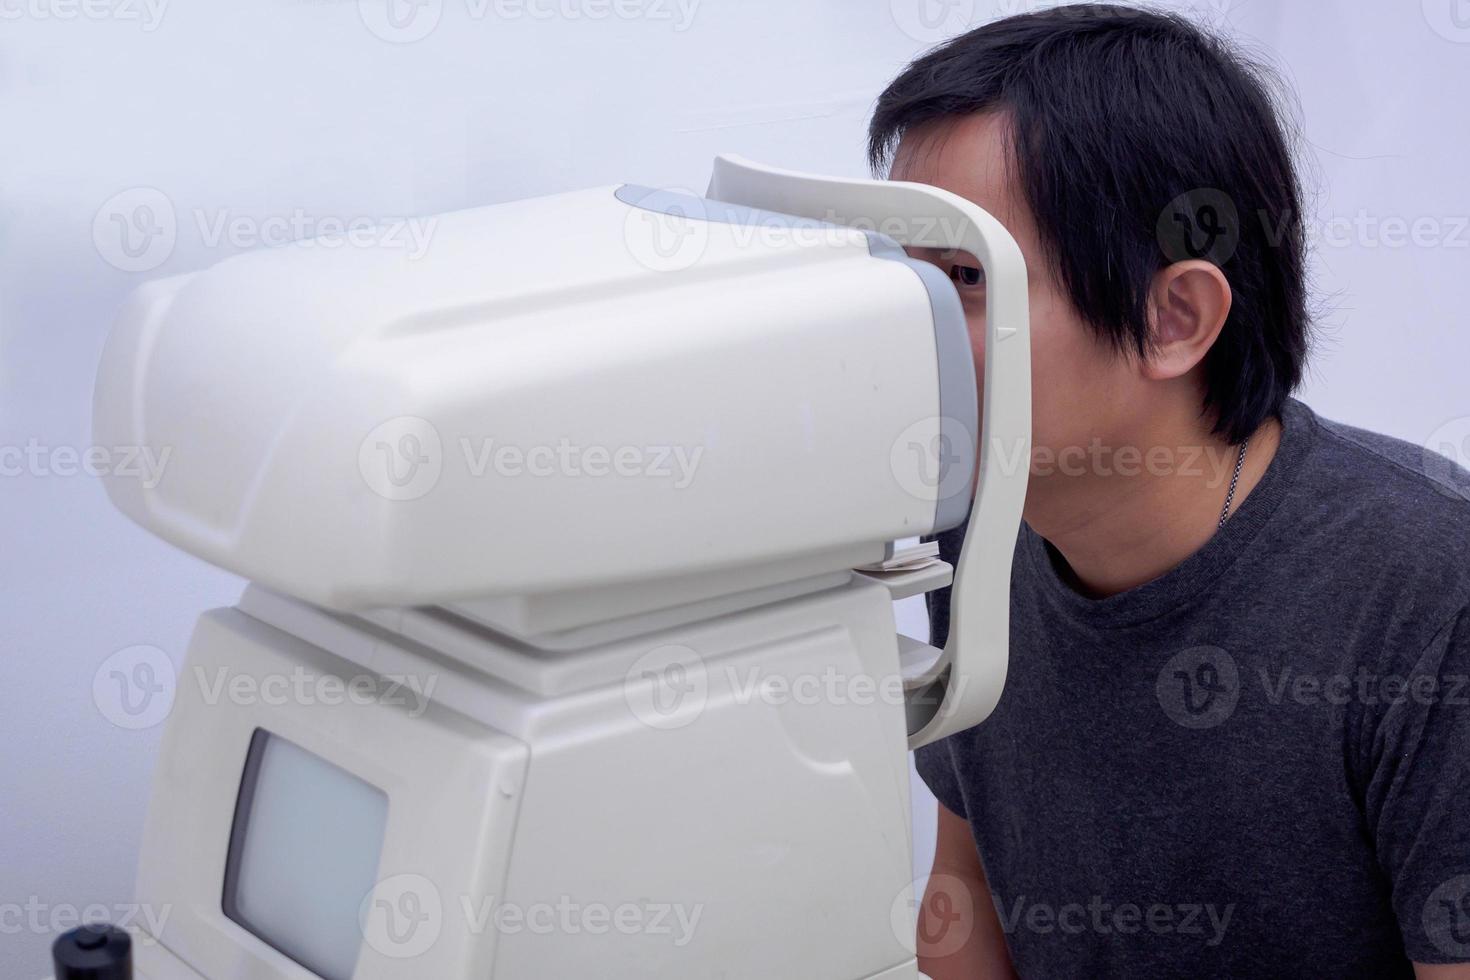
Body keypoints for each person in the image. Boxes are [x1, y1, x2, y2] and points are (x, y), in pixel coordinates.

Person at [870, 5, 1470, 977]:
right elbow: (966, 893)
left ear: (1173, 317)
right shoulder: (975, 533)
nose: (903, 323)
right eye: (899, 270)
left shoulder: (1432, 596)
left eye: (965, 277)